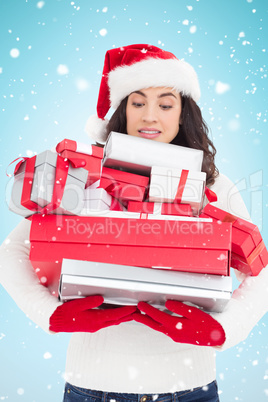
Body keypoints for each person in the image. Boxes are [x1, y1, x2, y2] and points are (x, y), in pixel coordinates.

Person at [0, 44, 267, 402]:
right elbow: (12, 252)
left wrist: (223, 329)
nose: (150, 116)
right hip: (92, 388)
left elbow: (261, 270)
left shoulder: (213, 185)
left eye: (166, 104)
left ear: (183, 113)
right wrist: (51, 315)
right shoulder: (81, 178)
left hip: (189, 390)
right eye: (137, 102)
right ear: (122, 111)